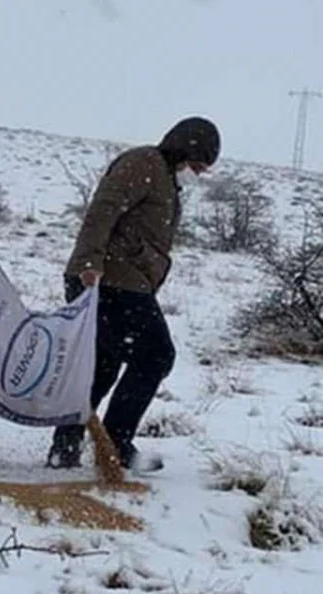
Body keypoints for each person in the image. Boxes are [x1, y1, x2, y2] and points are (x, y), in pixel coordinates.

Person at [47, 116, 221, 473]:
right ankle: (114, 442)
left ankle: (68, 445)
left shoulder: (165, 178)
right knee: (156, 355)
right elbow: (102, 211)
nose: (199, 174)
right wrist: (90, 263)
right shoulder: (143, 164)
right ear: (185, 150)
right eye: (199, 165)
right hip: (109, 280)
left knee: (102, 364)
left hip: (123, 281)